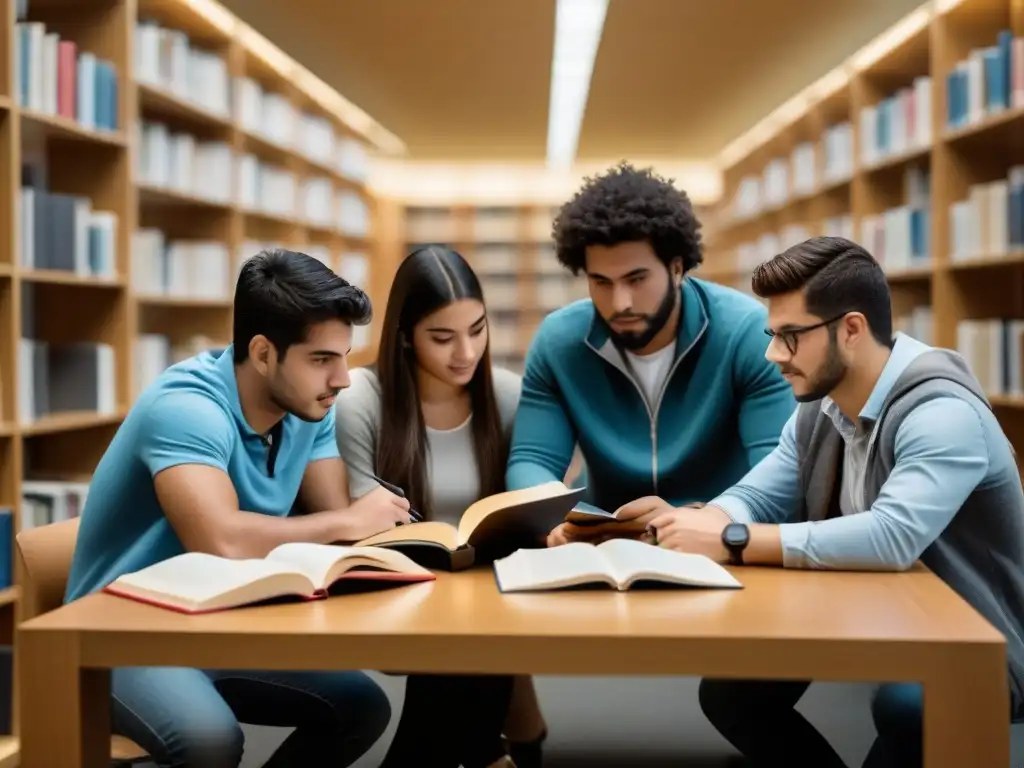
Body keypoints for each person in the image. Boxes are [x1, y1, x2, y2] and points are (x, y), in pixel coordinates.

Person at [623, 236, 1024, 767]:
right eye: (772, 335)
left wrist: (729, 539)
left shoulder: (942, 414)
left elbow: (890, 537)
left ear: (851, 330)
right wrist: (701, 521)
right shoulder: (823, 405)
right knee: (733, 692)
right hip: (881, 613)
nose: (773, 355)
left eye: (790, 337)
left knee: (908, 708)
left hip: (977, 644)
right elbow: (757, 494)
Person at [64, 249, 409, 767]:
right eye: (321, 359)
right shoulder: (187, 407)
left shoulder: (308, 408)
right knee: (210, 740)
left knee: (361, 707)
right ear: (264, 353)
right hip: (124, 633)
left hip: (215, 623)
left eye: (344, 356)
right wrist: (349, 521)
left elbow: (337, 528)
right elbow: (221, 540)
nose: (342, 379)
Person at [505, 161, 797, 543]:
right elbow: (532, 459)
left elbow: (779, 472)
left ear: (677, 268)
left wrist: (695, 517)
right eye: (601, 282)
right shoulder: (559, 342)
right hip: (603, 544)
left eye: (636, 279)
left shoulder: (746, 333)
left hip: (715, 542)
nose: (620, 302)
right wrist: (551, 517)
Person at [333, 245, 534, 768]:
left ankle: (488, 753)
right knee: (466, 643)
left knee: (471, 640)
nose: (465, 352)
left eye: (478, 329)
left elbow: (535, 500)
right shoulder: (361, 399)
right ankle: (498, 753)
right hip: (393, 586)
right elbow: (359, 523)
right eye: (442, 337)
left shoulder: (509, 396)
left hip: (493, 594)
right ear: (404, 335)